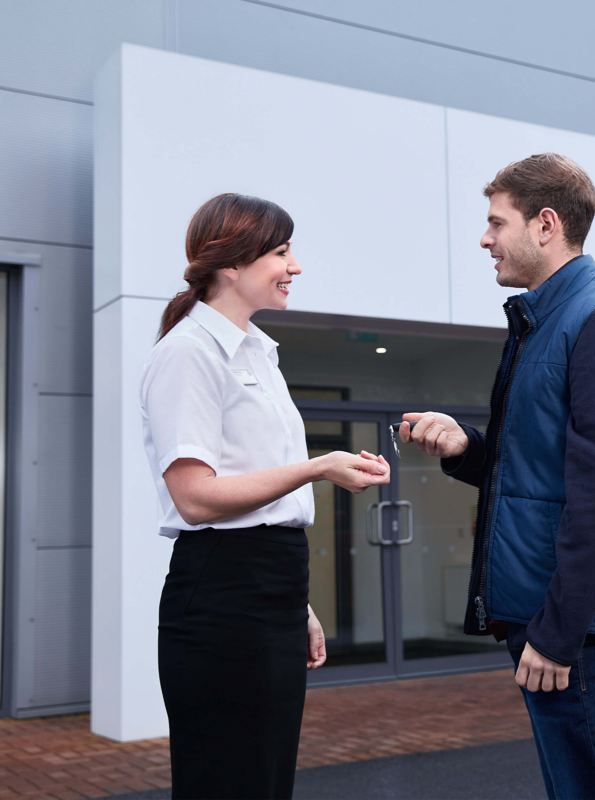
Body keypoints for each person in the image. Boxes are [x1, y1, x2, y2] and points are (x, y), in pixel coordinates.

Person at [399, 154, 595, 799]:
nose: (485, 239)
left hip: (575, 630)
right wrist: (467, 447)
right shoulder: (544, 325)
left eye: (496, 222)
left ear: (546, 225)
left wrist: (557, 633)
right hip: (554, 621)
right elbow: (540, 475)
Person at [140, 193, 391, 800]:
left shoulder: (260, 352)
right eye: (281, 252)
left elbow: (258, 496)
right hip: (223, 598)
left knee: (265, 780)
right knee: (228, 783)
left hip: (268, 589)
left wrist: (294, 603)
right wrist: (319, 467)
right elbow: (196, 498)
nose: (295, 266)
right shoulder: (187, 354)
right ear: (231, 263)